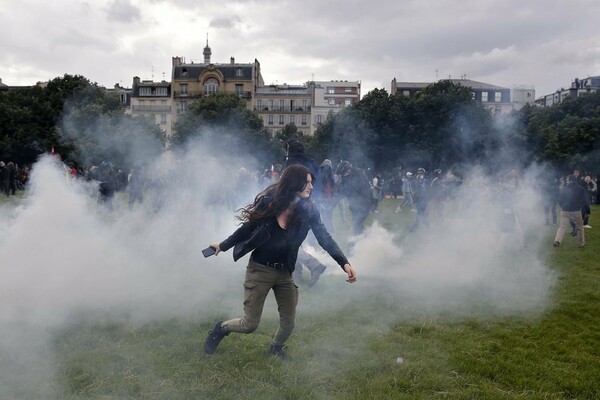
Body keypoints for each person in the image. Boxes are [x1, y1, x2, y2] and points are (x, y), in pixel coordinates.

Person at [204, 164, 357, 359]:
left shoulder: (309, 211)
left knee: (288, 324)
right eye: (307, 182)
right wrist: (222, 245)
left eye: (311, 183)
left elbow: (324, 237)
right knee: (250, 324)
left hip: (285, 273)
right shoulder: (270, 204)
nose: (311, 187)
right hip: (260, 270)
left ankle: (276, 347)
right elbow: (247, 228)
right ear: (294, 183)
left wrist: (344, 263)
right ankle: (221, 328)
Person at [553, 174, 586, 249]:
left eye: (567, 180)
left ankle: (557, 241)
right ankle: (581, 244)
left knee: (562, 227)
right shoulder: (581, 189)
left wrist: (563, 207)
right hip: (576, 211)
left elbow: (560, 201)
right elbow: (584, 201)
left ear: (569, 180)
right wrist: (585, 210)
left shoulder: (564, 189)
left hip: (565, 211)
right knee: (580, 228)